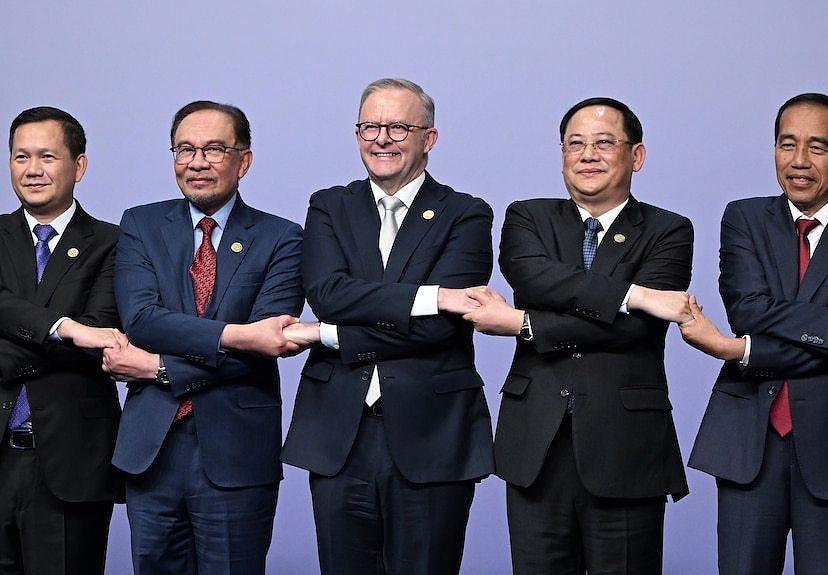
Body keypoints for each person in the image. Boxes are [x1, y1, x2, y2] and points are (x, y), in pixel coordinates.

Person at [463, 97, 693, 574]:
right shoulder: (528, 217)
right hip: (536, 442)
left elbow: (633, 328)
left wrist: (524, 323)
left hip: (626, 444)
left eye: (604, 143)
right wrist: (637, 293)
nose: (588, 154)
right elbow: (532, 281)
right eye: (575, 144)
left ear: (637, 156)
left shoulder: (669, 230)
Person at [280, 78, 495, 575]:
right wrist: (430, 296)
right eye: (369, 127)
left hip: (433, 431)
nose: (382, 138)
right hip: (338, 432)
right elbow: (327, 294)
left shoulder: (466, 212)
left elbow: (441, 327)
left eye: (398, 126)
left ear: (429, 138)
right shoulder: (329, 205)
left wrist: (326, 333)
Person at [101, 100, 304, 574]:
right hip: (152, 450)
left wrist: (159, 368)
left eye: (214, 149)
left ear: (244, 160)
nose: (197, 162)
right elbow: (143, 321)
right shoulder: (141, 224)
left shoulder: (282, 237)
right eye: (185, 149)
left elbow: (266, 345)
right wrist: (236, 333)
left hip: (237, 450)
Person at [682, 93, 828, 574]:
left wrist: (736, 352)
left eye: (817, 147)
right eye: (787, 144)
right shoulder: (744, 218)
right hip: (749, 443)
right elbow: (749, 310)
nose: (799, 161)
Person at [0, 106, 124, 573]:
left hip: (71, 461)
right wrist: (63, 328)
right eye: (20, 157)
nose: (32, 170)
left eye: (47, 156)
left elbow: (102, 331)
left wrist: (23, 330)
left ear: (79, 165)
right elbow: (78, 335)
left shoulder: (113, 242)